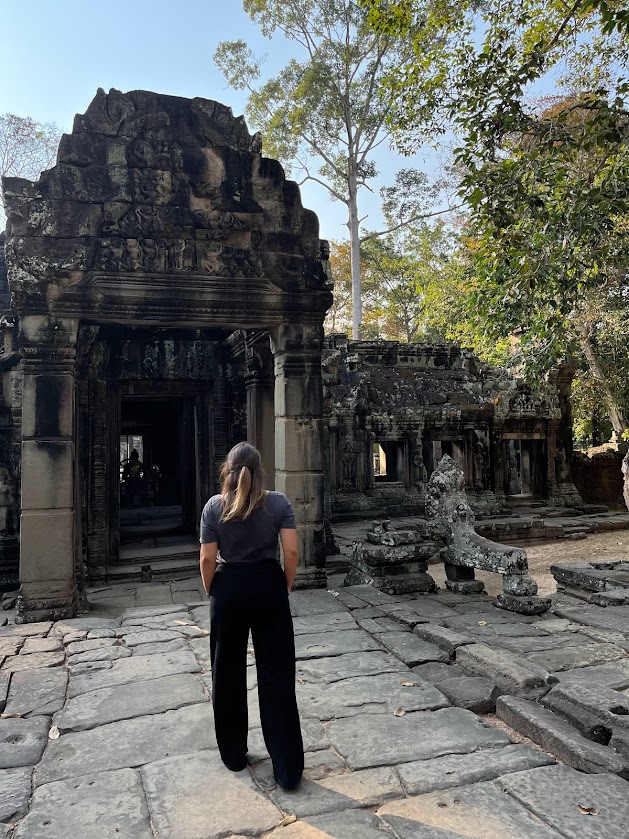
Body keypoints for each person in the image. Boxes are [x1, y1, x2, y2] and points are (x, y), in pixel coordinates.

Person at [199, 442, 304, 790]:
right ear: (261, 470)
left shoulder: (214, 507)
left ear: (227, 470)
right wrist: (284, 585)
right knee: (277, 674)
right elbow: (290, 551)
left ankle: (233, 754)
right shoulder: (278, 503)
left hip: (229, 587)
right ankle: (287, 768)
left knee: (226, 671)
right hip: (268, 585)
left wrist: (213, 589)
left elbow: (206, 559)